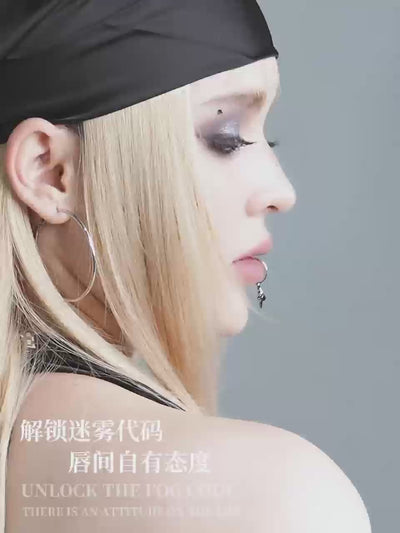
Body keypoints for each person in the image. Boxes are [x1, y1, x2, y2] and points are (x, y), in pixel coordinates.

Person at [0, 1, 371, 531]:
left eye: (267, 138)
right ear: (50, 172)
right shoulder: (272, 495)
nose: (281, 191)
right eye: (227, 138)